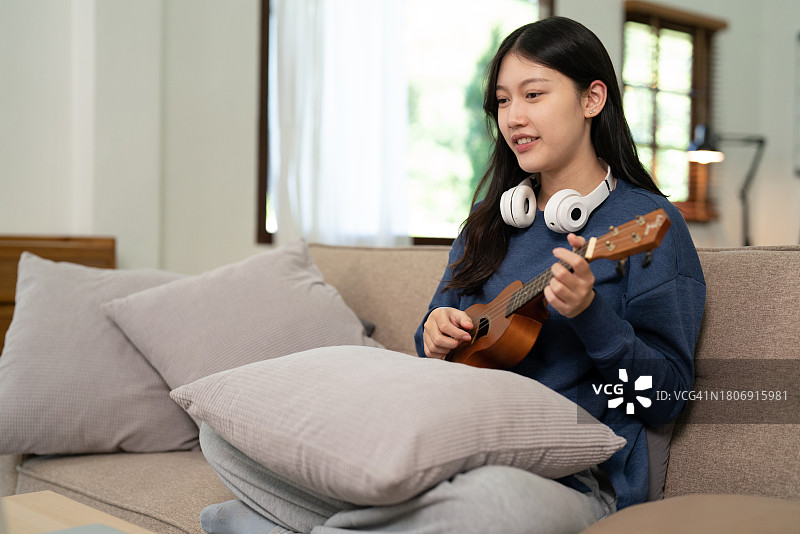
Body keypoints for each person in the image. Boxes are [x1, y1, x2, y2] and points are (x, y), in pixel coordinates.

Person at [198, 16, 705, 534]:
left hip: (574, 480)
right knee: (223, 433)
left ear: (592, 98)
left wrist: (590, 315)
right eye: (503, 102)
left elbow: (666, 400)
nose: (514, 118)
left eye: (533, 95)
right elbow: (432, 341)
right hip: (453, 447)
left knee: (481, 504)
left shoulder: (651, 227)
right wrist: (436, 330)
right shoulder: (492, 219)